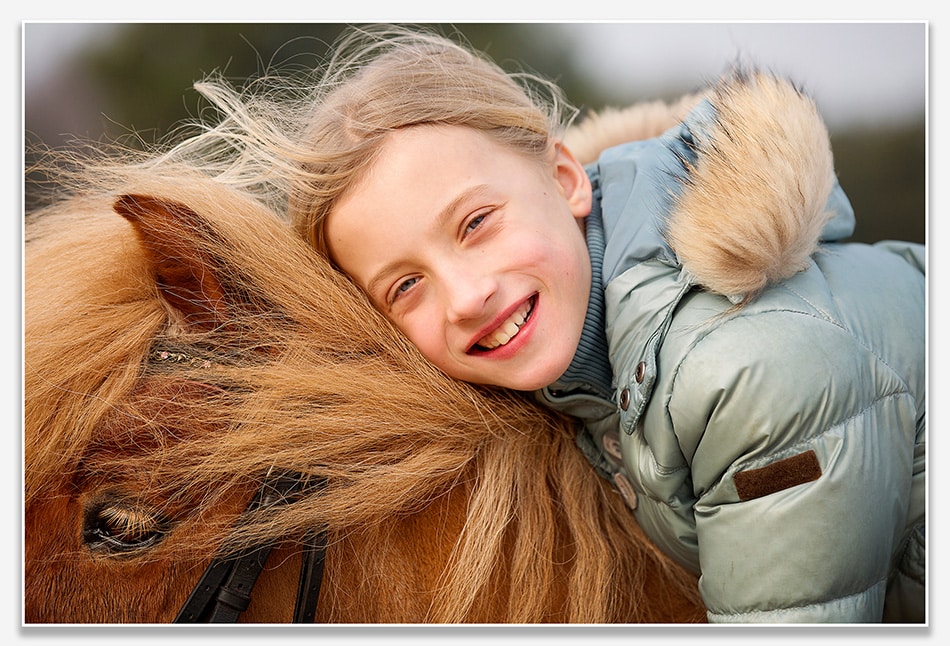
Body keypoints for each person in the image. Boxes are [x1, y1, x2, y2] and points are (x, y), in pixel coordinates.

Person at [199, 25, 926, 623]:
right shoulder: (590, 360)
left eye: (476, 223)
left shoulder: (741, 370)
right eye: (406, 285)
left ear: (566, 180)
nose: (464, 296)